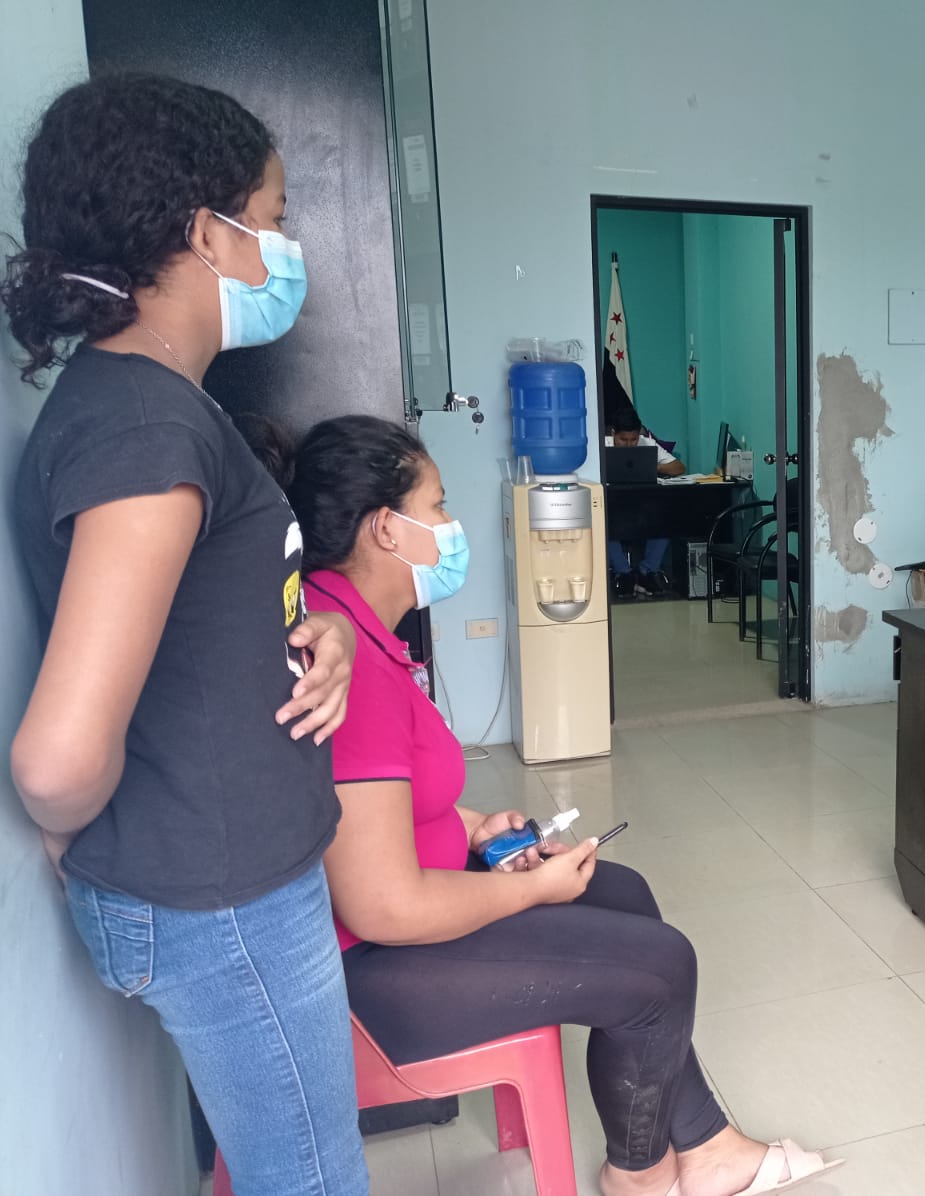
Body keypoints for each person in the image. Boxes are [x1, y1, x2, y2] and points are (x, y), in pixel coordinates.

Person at [279, 414, 840, 1196]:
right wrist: (532, 889)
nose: (451, 526)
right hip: (372, 976)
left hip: (398, 929)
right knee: (662, 967)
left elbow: (374, 808)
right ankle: (640, 1175)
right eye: (437, 506)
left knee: (626, 893)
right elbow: (384, 906)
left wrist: (477, 829)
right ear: (386, 528)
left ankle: (706, 1144)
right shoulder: (348, 662)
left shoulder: (352, 625)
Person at [3, 76, 367, 1193]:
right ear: (209, 233)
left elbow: (189, 618)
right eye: (274, 216)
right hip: (226, 905)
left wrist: (317, 633)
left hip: (225, 886)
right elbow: (57, 758)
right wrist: (74, 832)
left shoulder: (151, 403)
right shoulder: (146, 433)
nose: (285, 248)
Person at [606, 403, 684, 599]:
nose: (629, 444)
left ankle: (647, 572)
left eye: (633, 439)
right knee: (604, 522)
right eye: (623, 439)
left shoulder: (647, 444)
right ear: (613, 433)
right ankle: (624, 574)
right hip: (612, 506)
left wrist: (651, 466)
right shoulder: (601, 447)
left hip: (643, 507)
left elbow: (678, 468)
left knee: (665, 519)